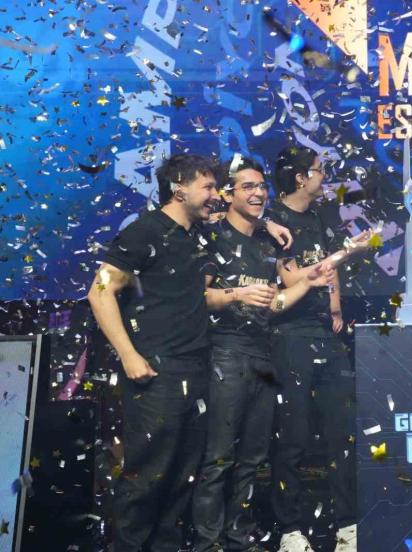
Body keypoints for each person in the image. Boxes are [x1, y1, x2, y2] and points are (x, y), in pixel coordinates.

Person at [191, 157, 334, 552]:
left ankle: (238, 538)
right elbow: (196, 298)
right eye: (248, 187)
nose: (258, 193)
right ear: (228, 194)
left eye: (261, 186)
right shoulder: (212, 237)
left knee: (253, 457)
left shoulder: (268, 243)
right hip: (224, 352)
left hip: (264, 355)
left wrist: (309, 282)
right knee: (219, 456)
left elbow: (274, 303)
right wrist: (236, 294)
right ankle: (207, 543)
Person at [87, 154, 220, 552]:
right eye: (208, 187)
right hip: (157, 373)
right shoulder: (144, 231)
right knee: (148, 475)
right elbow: (99, 291)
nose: (216, 194)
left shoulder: (195, 236)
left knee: (183, 475)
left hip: (195, 369)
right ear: (179, 189)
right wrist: (128, 354)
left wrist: (268, 224)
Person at [267, 146, 370, 552]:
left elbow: (329, 269)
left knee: (342, 431)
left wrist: (336, 306)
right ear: (299, 178)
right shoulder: (273, 221)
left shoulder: (321, 215)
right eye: (318, 170)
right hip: (289, 334)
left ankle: (347, 523)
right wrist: (348, 252)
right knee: (293, 434)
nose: (323, 176)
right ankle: (290, 528)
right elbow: (295, 279)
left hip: (326, 333)